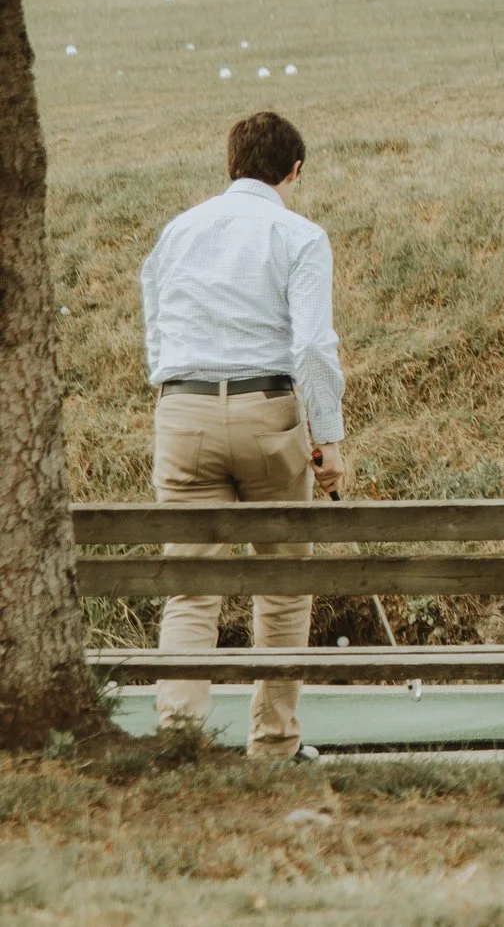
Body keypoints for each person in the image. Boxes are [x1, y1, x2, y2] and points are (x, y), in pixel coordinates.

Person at [140, 111, 348, 760]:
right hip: (268, 412)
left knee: (189, 586)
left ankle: (179, 738)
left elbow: (157, 331)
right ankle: (275, 744)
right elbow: (312, 345)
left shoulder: (175, 232)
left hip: (183, 413)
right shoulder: (301, 235)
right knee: (283, 584)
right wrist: (329, 440)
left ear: (230, 164)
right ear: (294, 171)